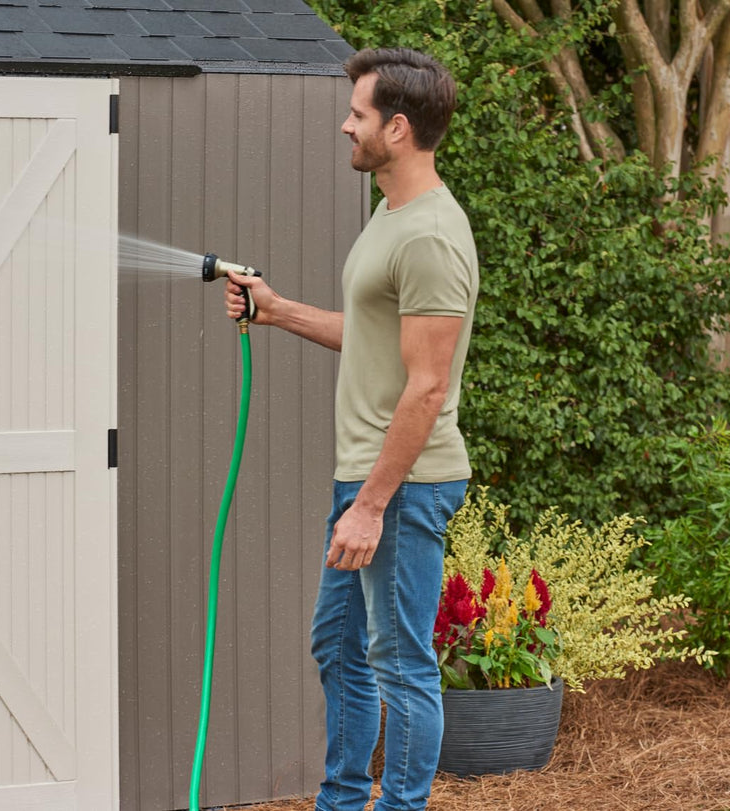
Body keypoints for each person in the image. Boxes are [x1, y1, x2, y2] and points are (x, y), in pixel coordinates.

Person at [224, 47, 479, 811]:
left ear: (397, 129)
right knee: (339, 647)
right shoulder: (390, 214)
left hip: (401, 484)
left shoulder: (431, 235)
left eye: (358, 115)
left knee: (400, 663)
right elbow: (374, 340)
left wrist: (370, 502)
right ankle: (341, 802)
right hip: (366, 480)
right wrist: (278, 310)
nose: (346, 126)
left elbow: (427, 385)